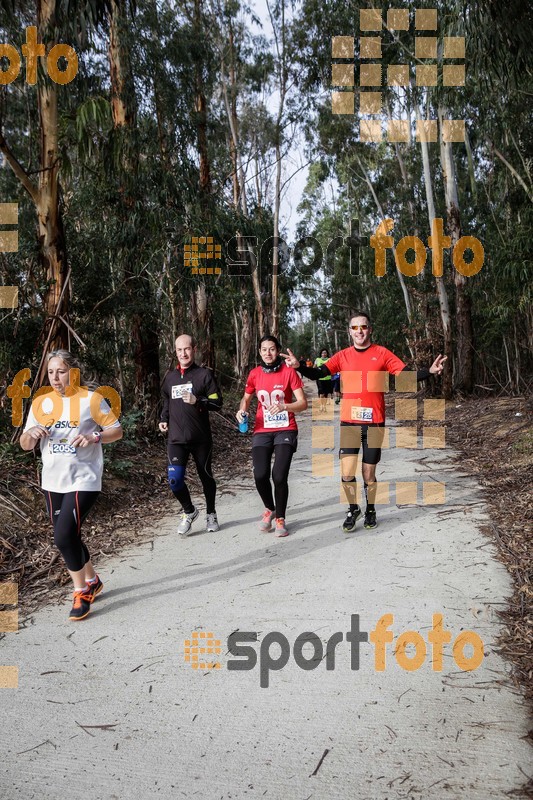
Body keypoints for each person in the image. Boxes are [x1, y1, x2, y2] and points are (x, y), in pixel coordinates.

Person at [282, 311, 446, 533]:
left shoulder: (382, 353)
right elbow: (319, 373)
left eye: (364, 327)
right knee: (347, 472)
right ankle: (352, 508)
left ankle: (370, 508)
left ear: (370, 330)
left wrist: (430, 371)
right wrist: (298, 366)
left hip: (374, 422)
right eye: (355, 328)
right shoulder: (343, 356)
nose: (359, 331)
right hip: (349, 422)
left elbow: (405, 375)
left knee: (368, 472)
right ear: (349, 332)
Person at [20, 350, 123, 621]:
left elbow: (117, 430)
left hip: (84, 478)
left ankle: (81, 592)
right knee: (70, 536)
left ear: (73, 372)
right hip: (53, 480)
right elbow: (25, 443)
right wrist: (31, 433)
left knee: (63, 536)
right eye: (51, 372)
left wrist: (94, 437)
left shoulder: (92, 400)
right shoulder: (41, 403)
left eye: (61, 371)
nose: (55, 377)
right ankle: (93, 580)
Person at [236, 335, 308, 537]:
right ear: (259, 352)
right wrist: (242, 411)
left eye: (272, 349)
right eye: (264, 349)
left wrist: (285, 406)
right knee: (259, 475)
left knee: (278, 475)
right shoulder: (255, 374)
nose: (268, 353)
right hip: (262, 430)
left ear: (278, 351)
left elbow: (303, 403)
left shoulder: (288, 373)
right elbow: (246, 398)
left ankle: (280, 518)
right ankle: (270, 508)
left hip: (286, 429)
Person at [159, 334, 222, 536]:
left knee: (206, 477)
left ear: (194, 349)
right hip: (176, 439)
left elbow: (217, 402)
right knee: (174, 480)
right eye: (179, 350)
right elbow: (166, 402)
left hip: (201, 438)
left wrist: (199, 400)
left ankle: (211, 513)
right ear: (175, 352)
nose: (183, 353)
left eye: (187, 349)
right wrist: (163, 418)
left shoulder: (204, 375)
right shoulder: (170, 378)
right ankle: (189, 511)